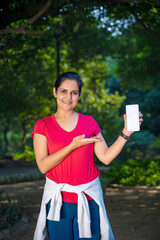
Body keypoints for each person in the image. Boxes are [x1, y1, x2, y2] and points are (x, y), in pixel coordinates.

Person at [31, 71, 143, 240]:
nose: (68, 97)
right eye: (63, 91)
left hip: (88, 199)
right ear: (55, 91)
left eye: (74, 93)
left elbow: (105, 157)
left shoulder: (89, 122)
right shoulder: (43, 125)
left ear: (79, 95)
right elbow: (43, 165)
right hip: (58, 203)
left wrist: (126, 132)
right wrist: (72, 146)